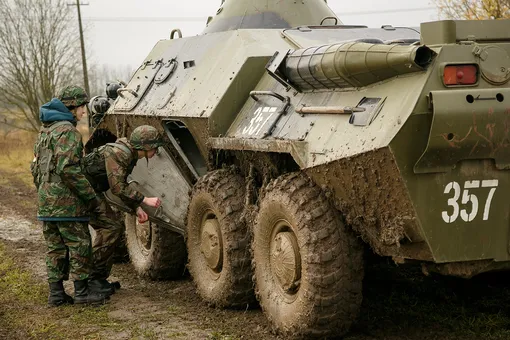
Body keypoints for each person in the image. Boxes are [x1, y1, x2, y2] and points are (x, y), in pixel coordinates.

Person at [31, 85, 108, 306]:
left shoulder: (44, 131)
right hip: (67, 203)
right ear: (72, 106)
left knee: (55, 247)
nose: (84, 112)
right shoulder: (68, 132)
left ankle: (56, 294)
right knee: (79, 244)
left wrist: (45, 192)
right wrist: (90, 196)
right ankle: (82, 293)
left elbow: (35, 168)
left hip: (47, 201)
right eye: (82, 107)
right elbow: (69, 169)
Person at [82, 125, 163, 296]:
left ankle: (96, 279)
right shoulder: (121, 153)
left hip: (89, 190)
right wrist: (144, 200)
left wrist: (136, 208)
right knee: (110, 227)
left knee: (111, 227)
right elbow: (117, 188)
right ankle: (92, 279)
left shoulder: (129, 153)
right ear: (145, 146)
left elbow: (121, 184)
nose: (156, 151)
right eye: (154, 147)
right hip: (81, 191)